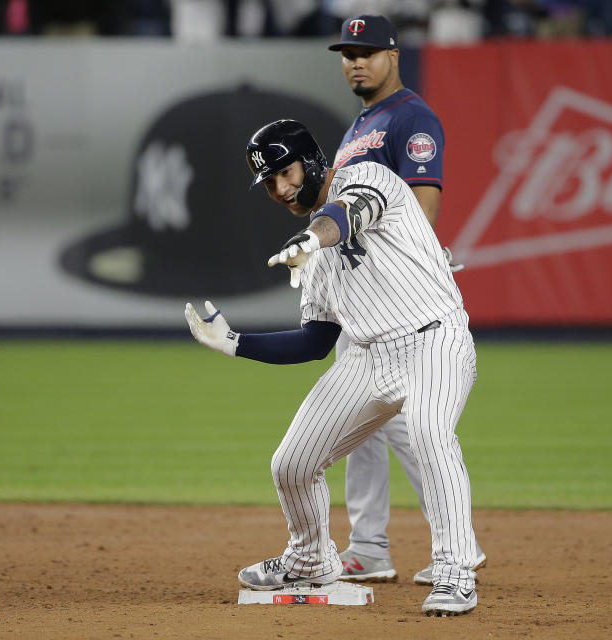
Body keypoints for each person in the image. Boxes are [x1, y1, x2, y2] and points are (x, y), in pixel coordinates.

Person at [185, 119, 480, 616]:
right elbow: (315, 342)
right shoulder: (313, 255)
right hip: (368, 356)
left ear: (312, 159)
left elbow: (351, 213)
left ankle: (455, 573)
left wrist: (314, 239)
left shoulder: (368, 177)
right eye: (270, 183)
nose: (280, 189)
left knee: (430, 433)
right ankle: (310, 561)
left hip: (437, 340)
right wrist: (234, 343)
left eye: (286, 172)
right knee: (292, 464)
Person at [326, 13, 485, 586]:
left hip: (399, 300)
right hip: (361, 299)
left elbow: (423, 206)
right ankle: (370, 547)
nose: (356, 61)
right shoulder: (360, 126)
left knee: (413, 424)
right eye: (348, 53)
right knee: (368, 425)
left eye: (367, 51)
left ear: (394, 55)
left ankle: (446, 545)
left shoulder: (411, 117)